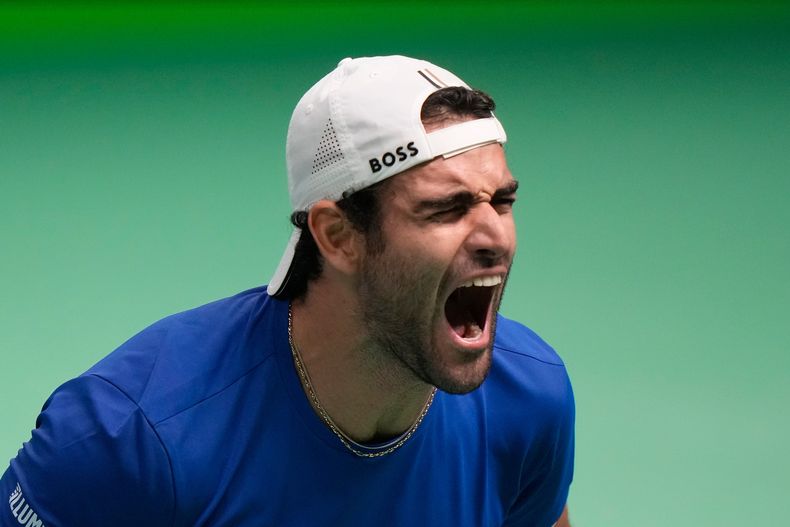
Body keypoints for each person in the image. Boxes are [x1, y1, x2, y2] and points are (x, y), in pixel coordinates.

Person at [2, 55, 574, 526]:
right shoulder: (129, 437)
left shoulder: (527, 400)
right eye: (446, 209)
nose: (495, 236)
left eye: (501, 201)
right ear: (338, 235)